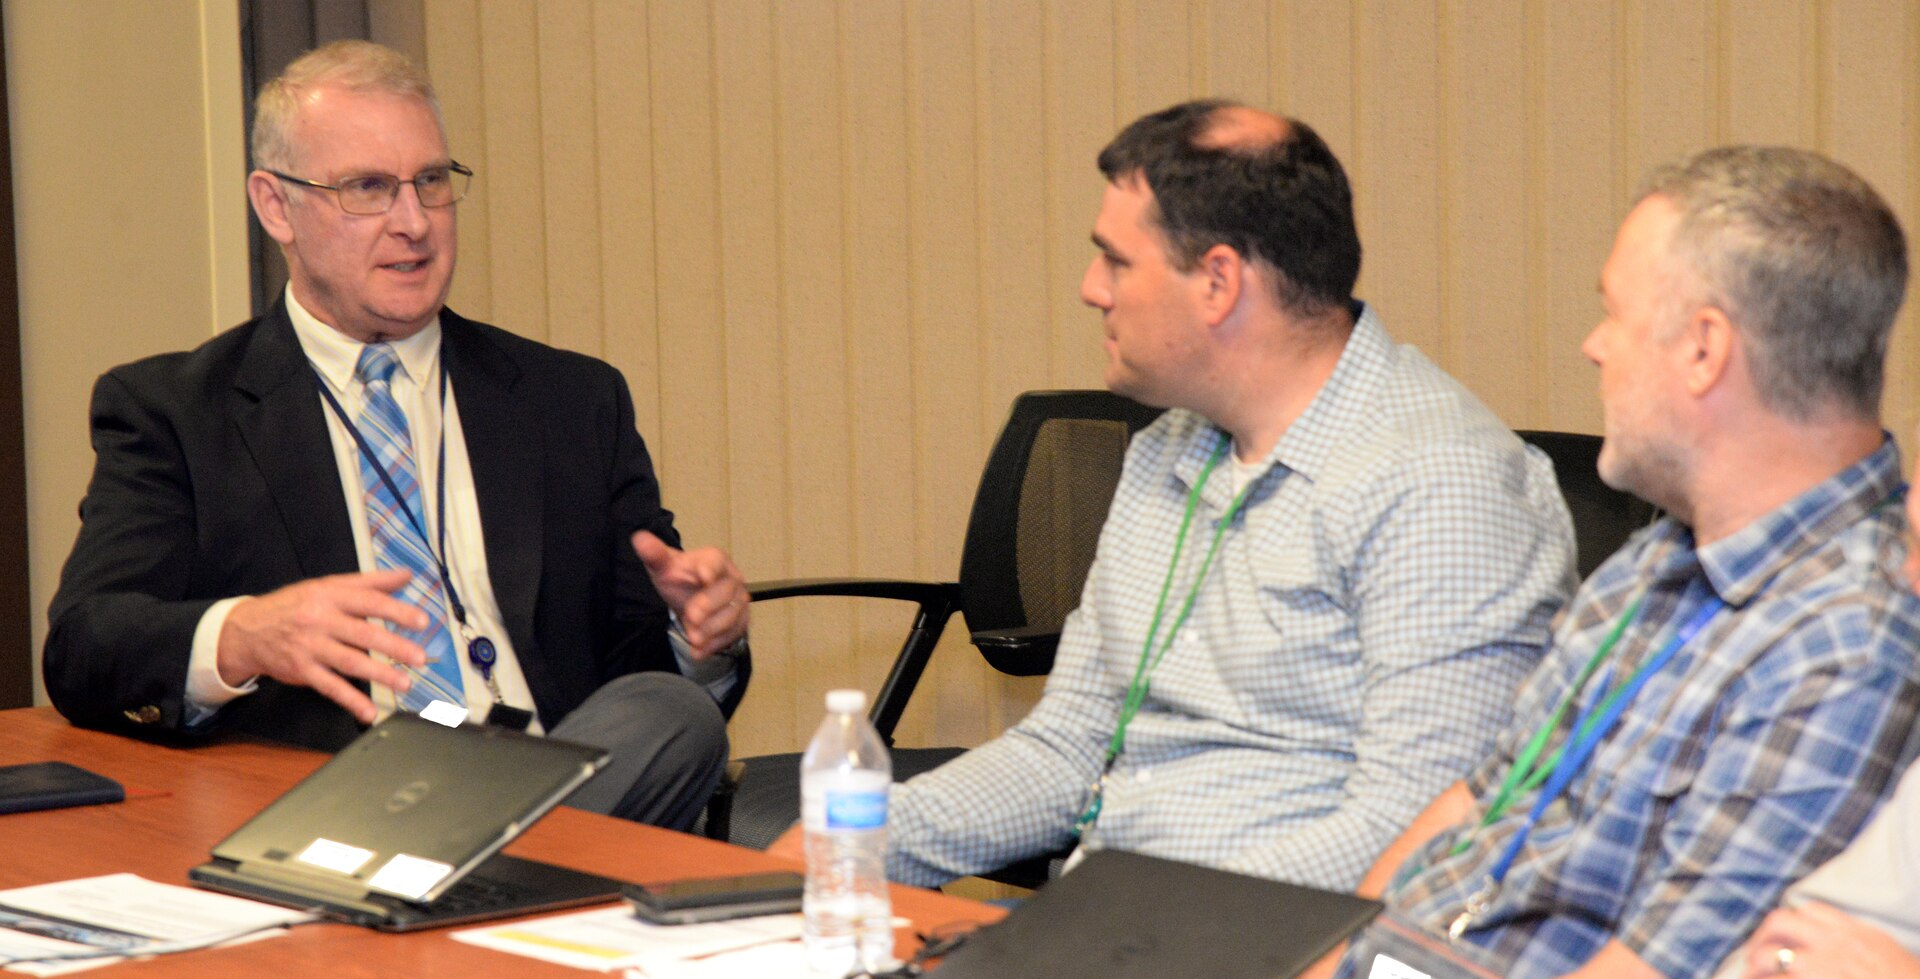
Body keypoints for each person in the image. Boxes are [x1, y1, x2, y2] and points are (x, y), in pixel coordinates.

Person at [776, 100, 1575, 891]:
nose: (1092, 289)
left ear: (1219, 281)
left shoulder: (1443, 485)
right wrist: (834, 852)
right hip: (1123, 925)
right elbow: (1067, 748)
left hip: (1267, 942)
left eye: (1116, 261)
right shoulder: (1168, 449)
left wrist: (1132, 931)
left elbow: (1419, 834)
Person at [41, 41, 750, 831]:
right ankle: (471, 864)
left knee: (671, 710)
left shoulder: (571, 400)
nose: (413, 223)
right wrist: (244, 633)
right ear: (276, 206)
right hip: (339, 807)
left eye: (432, 183)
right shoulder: (175, 411)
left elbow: (635, 678)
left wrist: (701, 638)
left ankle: (480, 860)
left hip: (551, 781)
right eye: (368, 189)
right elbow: (83, 646)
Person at [1334, 146, 1920, 979]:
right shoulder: (1664, 552)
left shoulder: (1848, 642)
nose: (1593, 345)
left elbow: (1661, 966)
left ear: (1703, 350)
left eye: (1614, 313)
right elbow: (1480, 799)